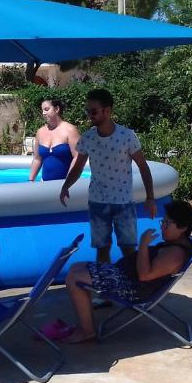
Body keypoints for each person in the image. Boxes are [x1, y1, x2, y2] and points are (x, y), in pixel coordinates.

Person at [57, 200, 192, 343]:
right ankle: (85, 324)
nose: (162, 227)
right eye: (163, 222)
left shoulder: (175, 254)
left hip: (130, 287)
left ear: (183, 228)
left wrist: (143, 244)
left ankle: (87, 331)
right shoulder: (175, 244)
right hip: (125, 276)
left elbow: (145, 275)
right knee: (76, 267)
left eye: (167, 223)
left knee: (74, 278)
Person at [59, 88, 157, 264]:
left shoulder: (127, 136)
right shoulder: (88, 138)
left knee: (128, 249)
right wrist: (66, 186)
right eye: (88, 111)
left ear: (107, 111)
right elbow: (78, 166)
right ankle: (104, 280)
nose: (89, 115)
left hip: (123, 202)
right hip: (98, 202)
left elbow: (143, 167)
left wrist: (150, 198)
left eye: (93, 111)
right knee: (102, 248)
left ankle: (131, 280)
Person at [28, 98, 80, 182]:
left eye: (46, 109)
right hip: (44, 184)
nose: (43, 113)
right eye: (42, 110)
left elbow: (77, 157)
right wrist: (30, 180)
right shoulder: (40, 132)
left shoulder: (70, 130)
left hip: (65, 183)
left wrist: (68, 182)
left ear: (56, 109)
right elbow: (37, 159)